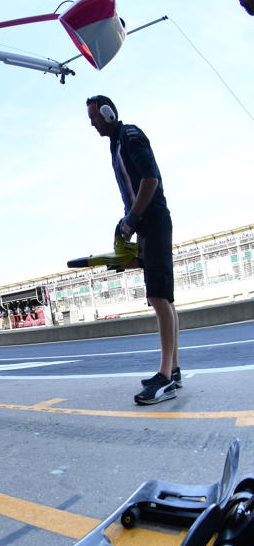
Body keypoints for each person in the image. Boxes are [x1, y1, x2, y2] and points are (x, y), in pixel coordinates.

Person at [87, 95, 181, 404]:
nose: (92, 123)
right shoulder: (116, 146)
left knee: (157, 295)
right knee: (163, 296)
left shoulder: (130, 135)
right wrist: (131, 234)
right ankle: (174, 370)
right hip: (146, 225)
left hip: (152, 219)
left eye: (94, 116)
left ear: (108, 113)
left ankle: (165, 378)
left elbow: (150, 180)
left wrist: (132, 220)